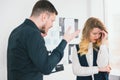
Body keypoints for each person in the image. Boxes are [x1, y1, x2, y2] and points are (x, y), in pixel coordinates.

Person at [7, 0, 80, 80]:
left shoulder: (16, 31)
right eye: (52, 20)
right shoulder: (33, 34)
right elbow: (46, 67)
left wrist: (39, 38)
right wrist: (65, 41)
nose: (52, 25)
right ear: (44, 17)